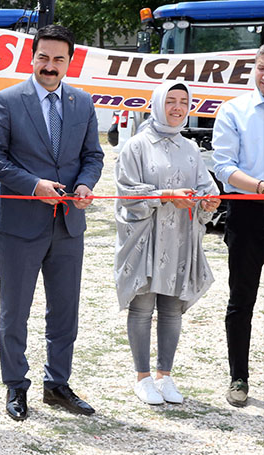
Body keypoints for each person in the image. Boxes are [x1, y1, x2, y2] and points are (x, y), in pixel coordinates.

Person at [0, 24, 104, 421]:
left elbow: (93, 156)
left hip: (68, 224)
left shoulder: (82, 102)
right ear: (32, 58)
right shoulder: (6, 100)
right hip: (19, 224)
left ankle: (58, 385)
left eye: (58, 59)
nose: (50, 66)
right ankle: (16, 385)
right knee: (14, 312)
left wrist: (85, 185)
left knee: (65, 311)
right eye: (44, 57)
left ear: (70, 62)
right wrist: (34, 186)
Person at [115, 82, 220, 406]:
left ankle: (165, 375)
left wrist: (208, 201)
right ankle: (143, 377)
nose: (177, 108)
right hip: (146, 238)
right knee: (142, 307)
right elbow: (126, 192)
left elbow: (205, 186)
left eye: (183, 102)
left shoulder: (191, 148)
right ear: (158, 104)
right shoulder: (136, 145)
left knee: (172, 309)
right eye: (170, 101)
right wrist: (164, 196)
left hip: (180, 238)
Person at [212, 44, 264, 408]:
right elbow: (224, 167)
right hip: (248, 213)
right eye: (263, 67)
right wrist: (260, 187)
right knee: (242, 300)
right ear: (255, 67)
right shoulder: (234, 110)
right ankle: (239, 377)